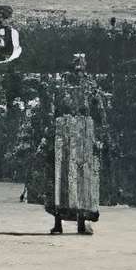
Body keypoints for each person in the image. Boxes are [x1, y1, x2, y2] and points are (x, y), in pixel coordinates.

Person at [43, 53, 106, 235]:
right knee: (63, 175)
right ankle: (62, 222)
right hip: (67, 131)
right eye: (76, 65)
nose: (78, 69)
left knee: (77, 177)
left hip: (81, 132)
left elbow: (99, 109)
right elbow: (99, 109)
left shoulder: (84, 84)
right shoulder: (66, 84)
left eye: (80, 65)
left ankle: (78, 222)